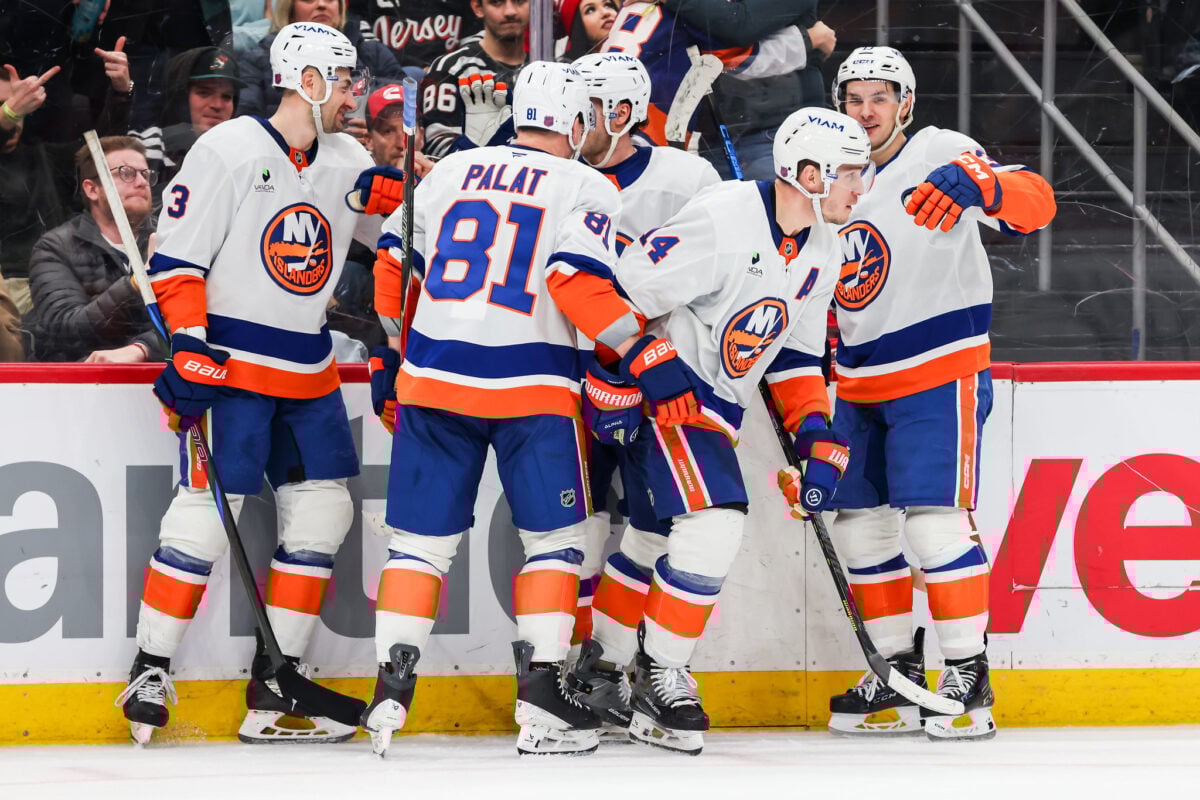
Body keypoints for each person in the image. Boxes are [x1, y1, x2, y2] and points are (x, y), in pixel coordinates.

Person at [115, 21, 397, 746]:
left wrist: (407, 199)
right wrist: (189, 347)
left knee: (324, 514)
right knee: (205, 518)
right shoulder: (228, 150)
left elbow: (385, 239)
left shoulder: (347, 157)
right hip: (234, 365)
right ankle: (151, 667)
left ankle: (277, 685)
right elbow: (175, 261)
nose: (353, 93)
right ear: (306, 80)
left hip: (309, 369)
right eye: (343, 79)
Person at [360, 60, 641, 758]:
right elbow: (577, 284)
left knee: (418, 547)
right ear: (575, 125)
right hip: (532, 387)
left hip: (433, 380)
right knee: (554, 543)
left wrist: (397, 350)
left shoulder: (452, 172)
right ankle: (542, 700)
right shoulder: (587, 183)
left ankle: (390, 694)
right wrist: (635, 351)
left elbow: (392, 260)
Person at [577, 106, 873, 755]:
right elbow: (617, 291)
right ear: (806, 173)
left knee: (656, 534)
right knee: (716, 521)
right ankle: (662, 671)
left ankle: (601, 670)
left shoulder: (825, 245)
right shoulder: (724, 216)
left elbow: (793, 357)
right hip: (667, 391)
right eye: (850, 172)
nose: (862, 186)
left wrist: (816, 434)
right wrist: (616, 375)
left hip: (717, 404)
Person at [822, 46, 1056, 741]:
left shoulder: (940, 150)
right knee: (860, 526)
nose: (867, 112)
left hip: (937, 365)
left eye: (880, 98)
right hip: (856, 377)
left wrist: (979, 182)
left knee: (932, 521)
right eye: (855, 98)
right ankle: (896, 675)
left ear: (907, 104)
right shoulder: (832, 173)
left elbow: (1035, 205)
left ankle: (968, 673)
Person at [563, 52, 719, 703]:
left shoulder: (688, 178)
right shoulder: (553, 175)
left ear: (621, 113)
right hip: (569, 380)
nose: (569, 124)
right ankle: (569, 671)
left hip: (657, 384)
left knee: (656, 527)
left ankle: (611, 662)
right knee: (574, 536)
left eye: (585, 111)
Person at [0, 40, 133, 315]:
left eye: (15, 103)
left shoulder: (43, 157)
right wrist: (9, 113)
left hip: (53, 285)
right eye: (4, 107)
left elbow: (102, 152)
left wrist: (121, 91)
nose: (13, 114)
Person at [601, 0, 812, 153]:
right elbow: (737, 45)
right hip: (647, 129)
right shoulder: (683, 12)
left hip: (607, 118)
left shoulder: (632, 7)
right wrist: (807, 41)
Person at [659, 0, 836, 180]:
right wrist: (808, 39)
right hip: (713, 136)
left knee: (774, 206)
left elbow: (741, 26)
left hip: (774, 134)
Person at [26, 136, 163, 363]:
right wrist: (136, 284)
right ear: (92, 189)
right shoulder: (56, 248)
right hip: (84, 383)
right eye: (126, 173)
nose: (141, 182)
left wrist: (143, 347)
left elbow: (194, 321)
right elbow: (65, 329)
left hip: (157, 377)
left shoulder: (168, 240)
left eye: (145, 174)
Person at [236, 0, 407, 127]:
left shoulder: (372, 53)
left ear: (340, 9)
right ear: (289, 9)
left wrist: (372, 130)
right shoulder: (259, 57)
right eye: (309, 0)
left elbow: (405, 102)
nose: (321, 5)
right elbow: (247, 121)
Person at [129, 46, 247, 210]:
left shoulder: (246, 156)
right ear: (180, 97)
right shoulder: (145, 149)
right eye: (204, 93)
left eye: (227, 96)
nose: (217, 105)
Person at [419, 0, 529, 159]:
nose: (510, 11)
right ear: (478, 7)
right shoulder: (451, 68)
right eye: (497, 2)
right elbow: (437, 145)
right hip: (473, 180)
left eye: (519, 1)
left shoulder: (549, 67)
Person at [349, 0, 481, 74]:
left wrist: (442, 70)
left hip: (448, 81)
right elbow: (353, 20)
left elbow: (475, 42)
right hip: (386, 81)